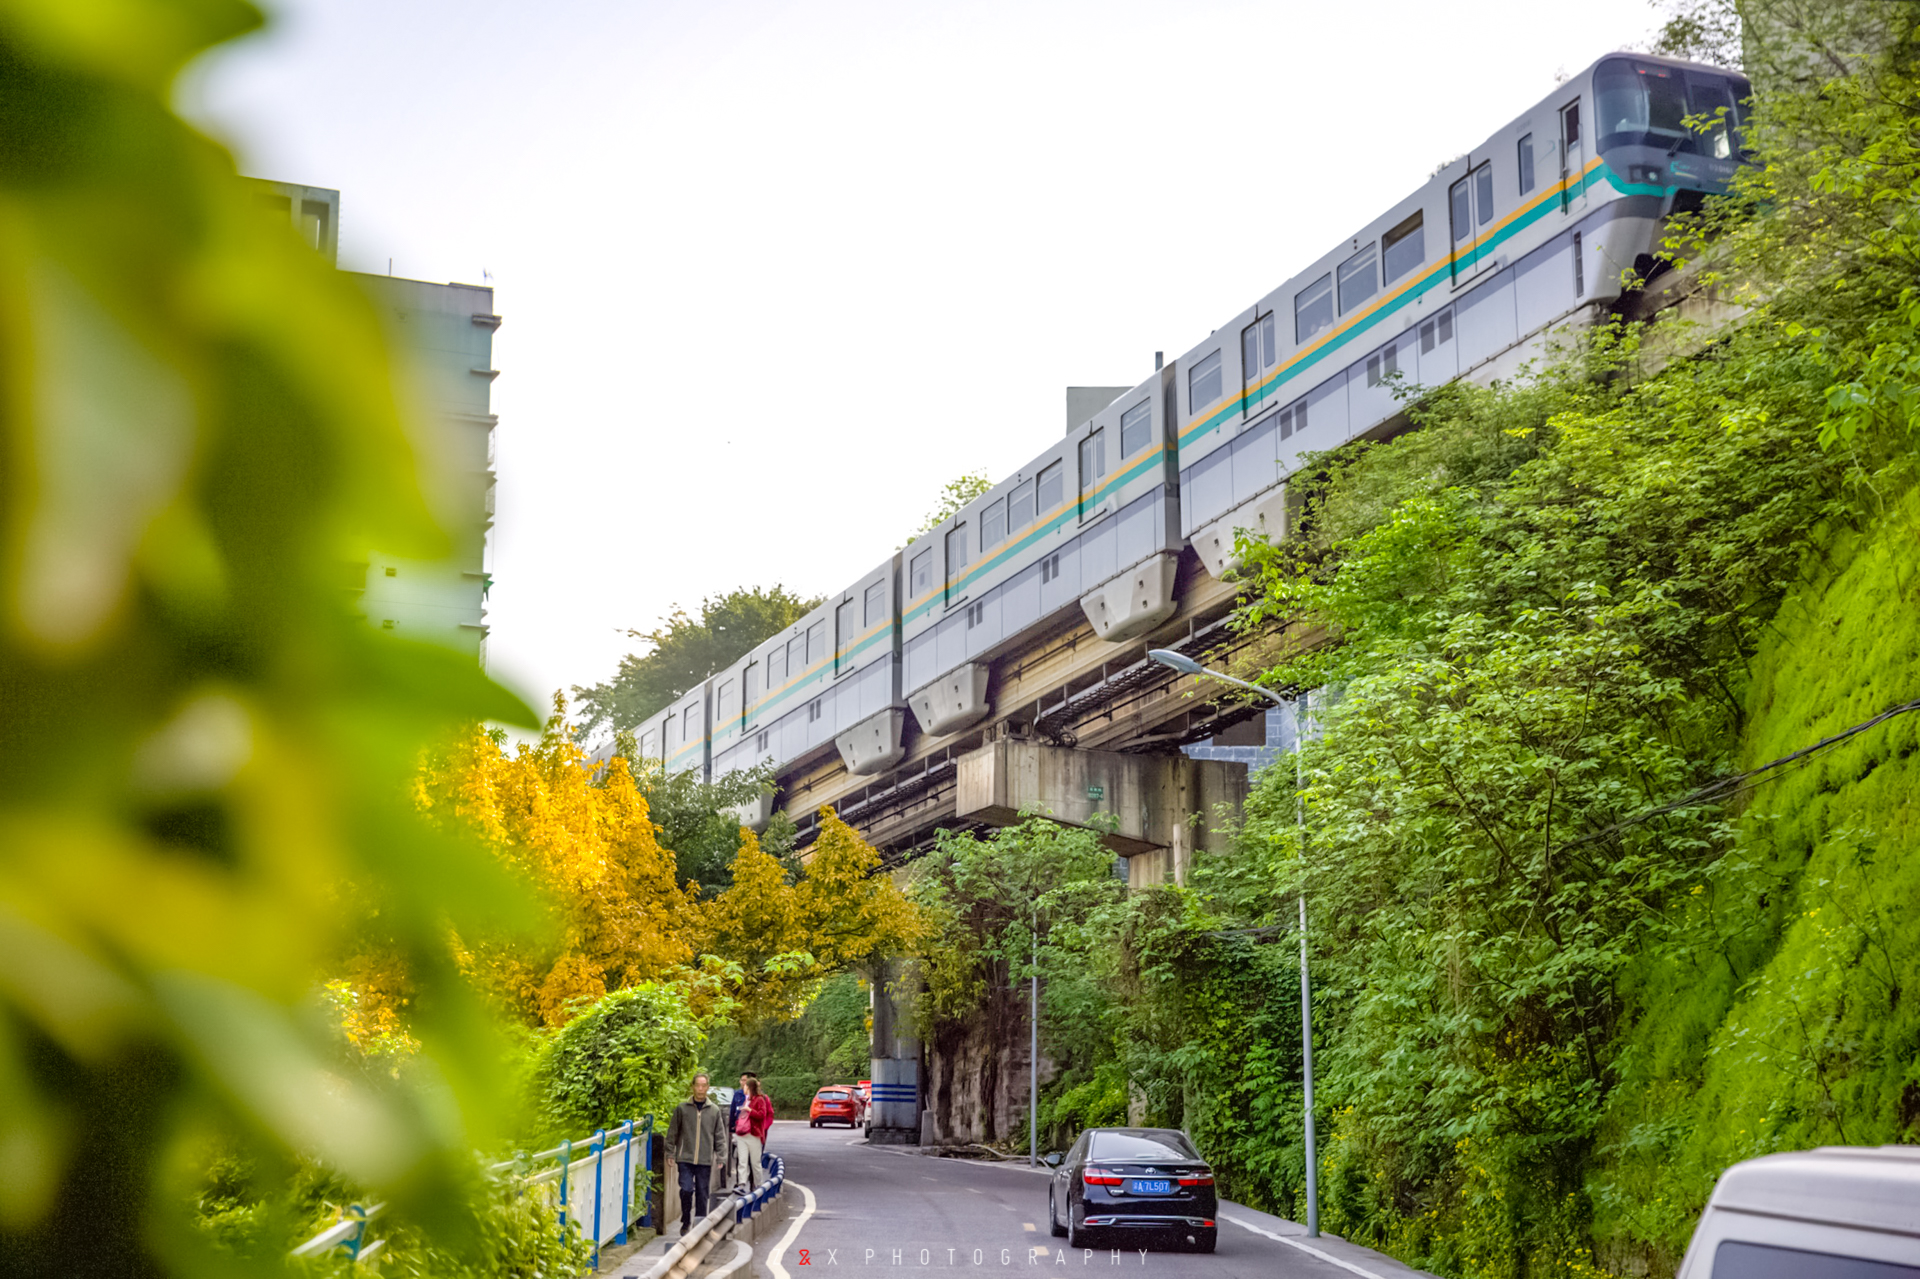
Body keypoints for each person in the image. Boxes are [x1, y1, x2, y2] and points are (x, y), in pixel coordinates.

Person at [665, 1074, 727, 1234]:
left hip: (704, 1159)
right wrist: (670, 1153)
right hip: (685, 1157)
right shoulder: (682, 1108)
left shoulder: (714, 1111)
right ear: (692, 1086)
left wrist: (721, 1156)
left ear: (708, 1087)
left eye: (703, 1085)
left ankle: (700, 1225)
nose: (700, 1089)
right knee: (686, 1189)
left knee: (702, 1193)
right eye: (697, 1085)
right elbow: (672, 1132)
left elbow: (719, 1135)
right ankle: (686, 1220)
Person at [730, 1073, 775, 1192]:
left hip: (754, 1134)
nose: (743, 1086)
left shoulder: (760, 1099)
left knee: (755, 1162)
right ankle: (742, 1185)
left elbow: (762, 1115)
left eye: (746, 1084)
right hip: (741, 1134)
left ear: (750, 1087)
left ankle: (758, 1185)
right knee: (742, 1161)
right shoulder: (742, 1098)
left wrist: (749, 1110)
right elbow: (733, 1113)